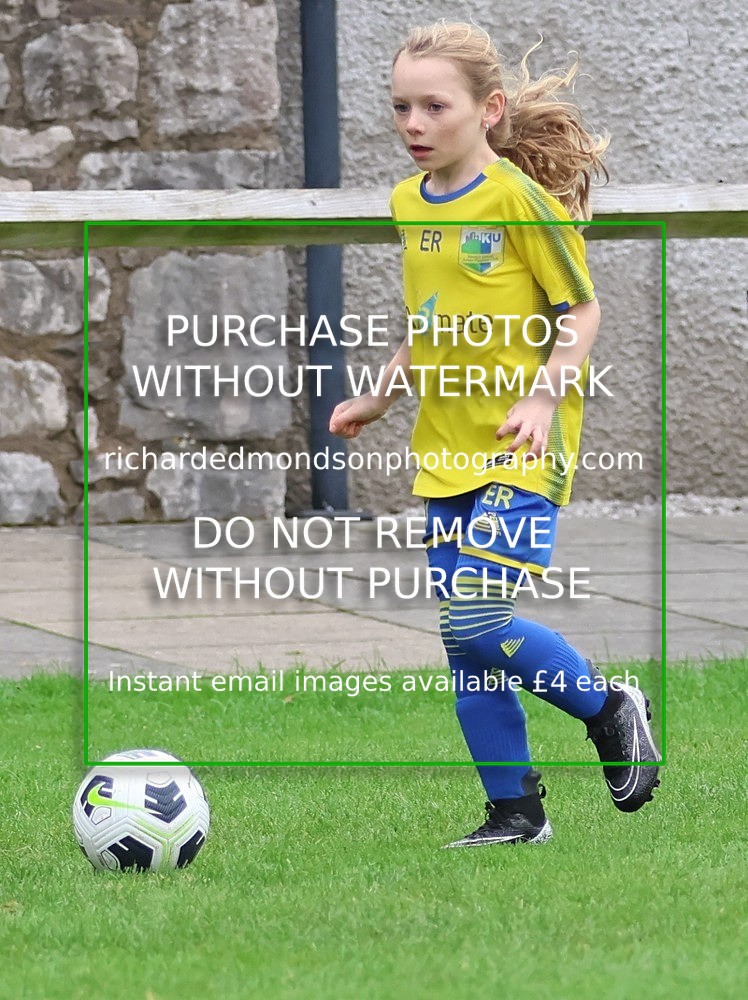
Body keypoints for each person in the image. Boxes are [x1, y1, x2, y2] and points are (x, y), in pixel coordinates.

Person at [329, 20, 660, 847]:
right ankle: (516, 814)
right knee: (467, 649)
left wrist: (546, 398)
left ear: (488, 109)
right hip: (445, 453)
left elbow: (580, 309)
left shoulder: (517, 199)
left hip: (524, 450)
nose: (412, 123)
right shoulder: (408, 203)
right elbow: (428, 319)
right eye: (401, 106)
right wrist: (377, 395)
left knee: (475, 620)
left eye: (433, 105)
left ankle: (609, 706)